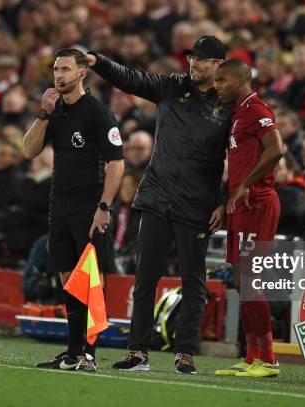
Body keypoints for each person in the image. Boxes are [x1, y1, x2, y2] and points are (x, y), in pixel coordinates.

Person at [85, 36, 231, 374]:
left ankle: (185, 353)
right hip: (156, 196)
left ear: (219, 65)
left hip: (197, 203)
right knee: (144, 278)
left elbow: (236, 160)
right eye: (193, 58)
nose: (195, 64)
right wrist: (100, 61)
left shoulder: (229, 102)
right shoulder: (170, 87)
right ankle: (138, 352)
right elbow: (132, 79)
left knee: (192, 281)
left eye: (204, 60)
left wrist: (223, 202)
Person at [23, 48, 125, 372]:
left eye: (65, 69)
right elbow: (28, 151)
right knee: (68, 277)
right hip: (60, 203)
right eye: (55, 69)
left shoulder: (97, 112)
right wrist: (42, 114)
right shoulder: (53, 112)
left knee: (91, 278)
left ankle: (89, 354)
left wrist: (104, 207)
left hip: (90, 204)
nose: (58, 75)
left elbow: (117, 164)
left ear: (82, 73)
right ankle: (72, 352)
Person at [212, 60, 283, 378]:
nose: (217, 85)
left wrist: (245, 185)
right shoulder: (237, 113)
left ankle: (268, 358)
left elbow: (276, 149)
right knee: (241, 282)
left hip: (257, 203)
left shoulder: (256, 110)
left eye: (222, 79)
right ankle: (252, 356)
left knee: (251, 282)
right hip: (240, 205)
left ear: (241, 80)